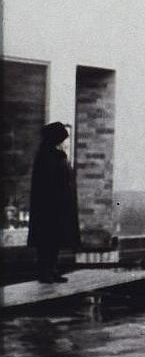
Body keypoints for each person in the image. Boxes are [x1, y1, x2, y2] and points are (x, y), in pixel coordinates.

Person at [28, 122, 79, 284]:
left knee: (55, 240)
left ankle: (52, 269)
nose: (64, 142)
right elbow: (48, 183)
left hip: (58, 207)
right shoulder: (45, 156)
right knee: (47, 240)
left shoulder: (54, 155)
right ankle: (45, 272)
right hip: (49, 208)